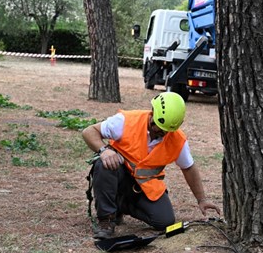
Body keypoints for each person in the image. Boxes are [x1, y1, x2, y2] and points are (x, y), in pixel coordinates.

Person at [83, 91, 221, 239]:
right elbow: (89, 131)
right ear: (153, 112)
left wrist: (202, 199)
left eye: (167, 130)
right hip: (119, 176)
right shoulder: (127, 121)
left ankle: (120, 205)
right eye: (159, 127)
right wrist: (104, 151)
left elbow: (188, 168)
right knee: (104, 165)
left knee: (164, 221)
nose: (162, 132)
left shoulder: (177, 140)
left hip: (144, 188)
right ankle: (106, 220)